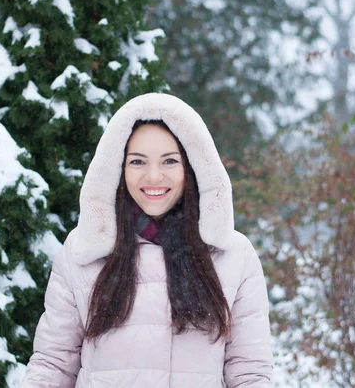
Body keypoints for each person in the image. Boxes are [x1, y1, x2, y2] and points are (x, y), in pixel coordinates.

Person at [21, 93, 274, 387]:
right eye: (138, 161)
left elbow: (250, 374)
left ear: (191, 167)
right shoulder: (84, 252)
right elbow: (53, 365)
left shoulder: (233, 255)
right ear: (118, 168)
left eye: (169, 161)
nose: (154, 176)